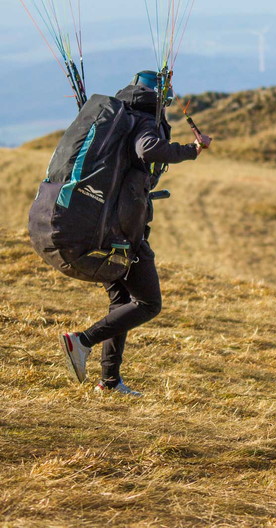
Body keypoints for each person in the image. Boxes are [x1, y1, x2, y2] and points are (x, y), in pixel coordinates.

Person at [58, 71, 212, 396]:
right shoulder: (144, 121)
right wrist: (191, 150)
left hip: (102, 223)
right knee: (148, 303)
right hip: (125, 231)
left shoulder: (122, 119)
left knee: (122, 303)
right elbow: (150, 150)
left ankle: (109, 382)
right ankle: (81, 341)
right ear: (160, 99)